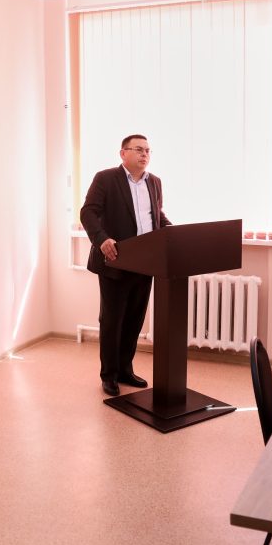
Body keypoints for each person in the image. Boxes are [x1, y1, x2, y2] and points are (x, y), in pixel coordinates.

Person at [80, 134, 172, 396]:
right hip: (115, 260)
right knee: (112, 321)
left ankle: (125, 370)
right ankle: (109, 375)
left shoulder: (154, 182)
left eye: (148, 150)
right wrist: (102, 239)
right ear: (123, 153)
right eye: (139, 149)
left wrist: (172, 232)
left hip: (146, 262)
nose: (145, 154)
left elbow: (155, 214)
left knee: (134, 320)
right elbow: (88, 212)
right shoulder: (106, 178)